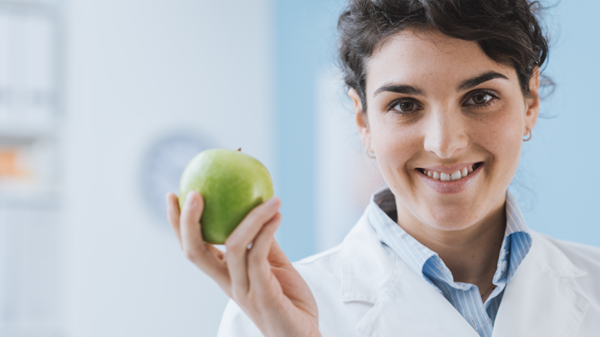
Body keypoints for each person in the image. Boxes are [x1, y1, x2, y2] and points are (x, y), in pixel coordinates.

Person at [166, 0, 600, 336]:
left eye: (480, 98)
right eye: (404, 105)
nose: (445, 144)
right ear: (363, 121)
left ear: (530, 101)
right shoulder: (262, 319)